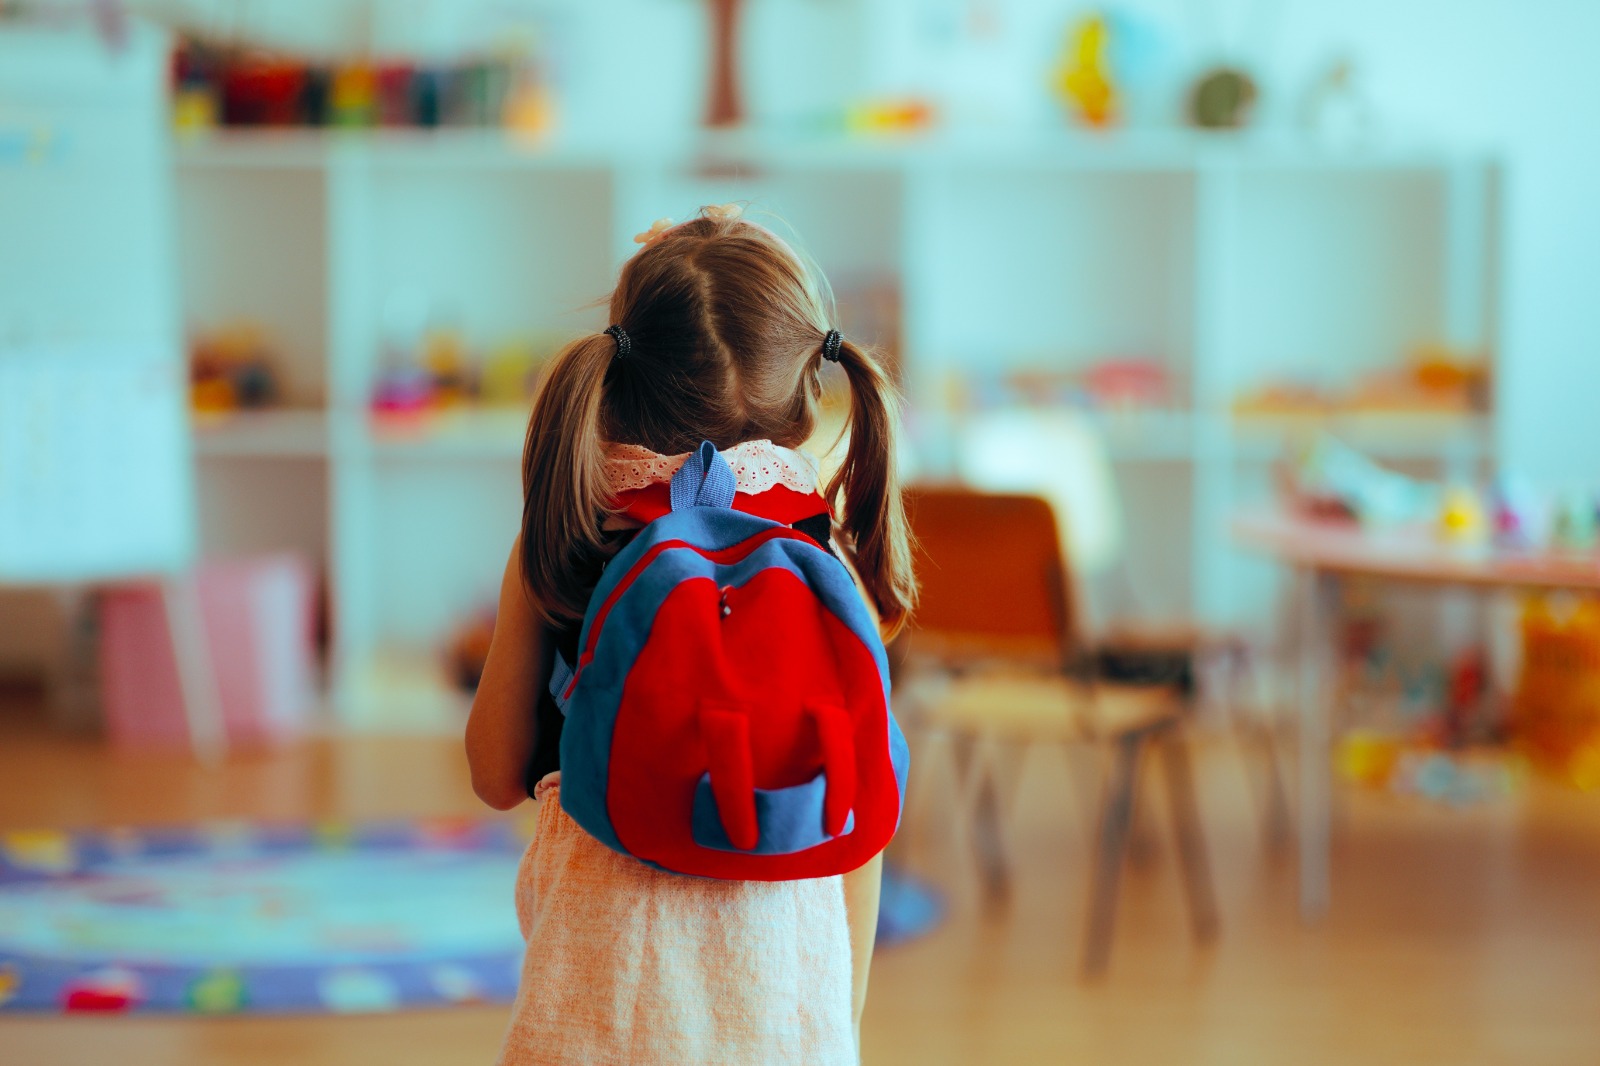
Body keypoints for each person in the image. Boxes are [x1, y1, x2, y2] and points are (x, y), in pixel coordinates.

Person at [465, 204, 916, 1065]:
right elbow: (864, 829)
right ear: (810, 385)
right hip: (785, 1012)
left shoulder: (565, 539)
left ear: (621, 367)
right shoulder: (827, 564)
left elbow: (493, 774)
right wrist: (841, 1024)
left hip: (602, 1004)